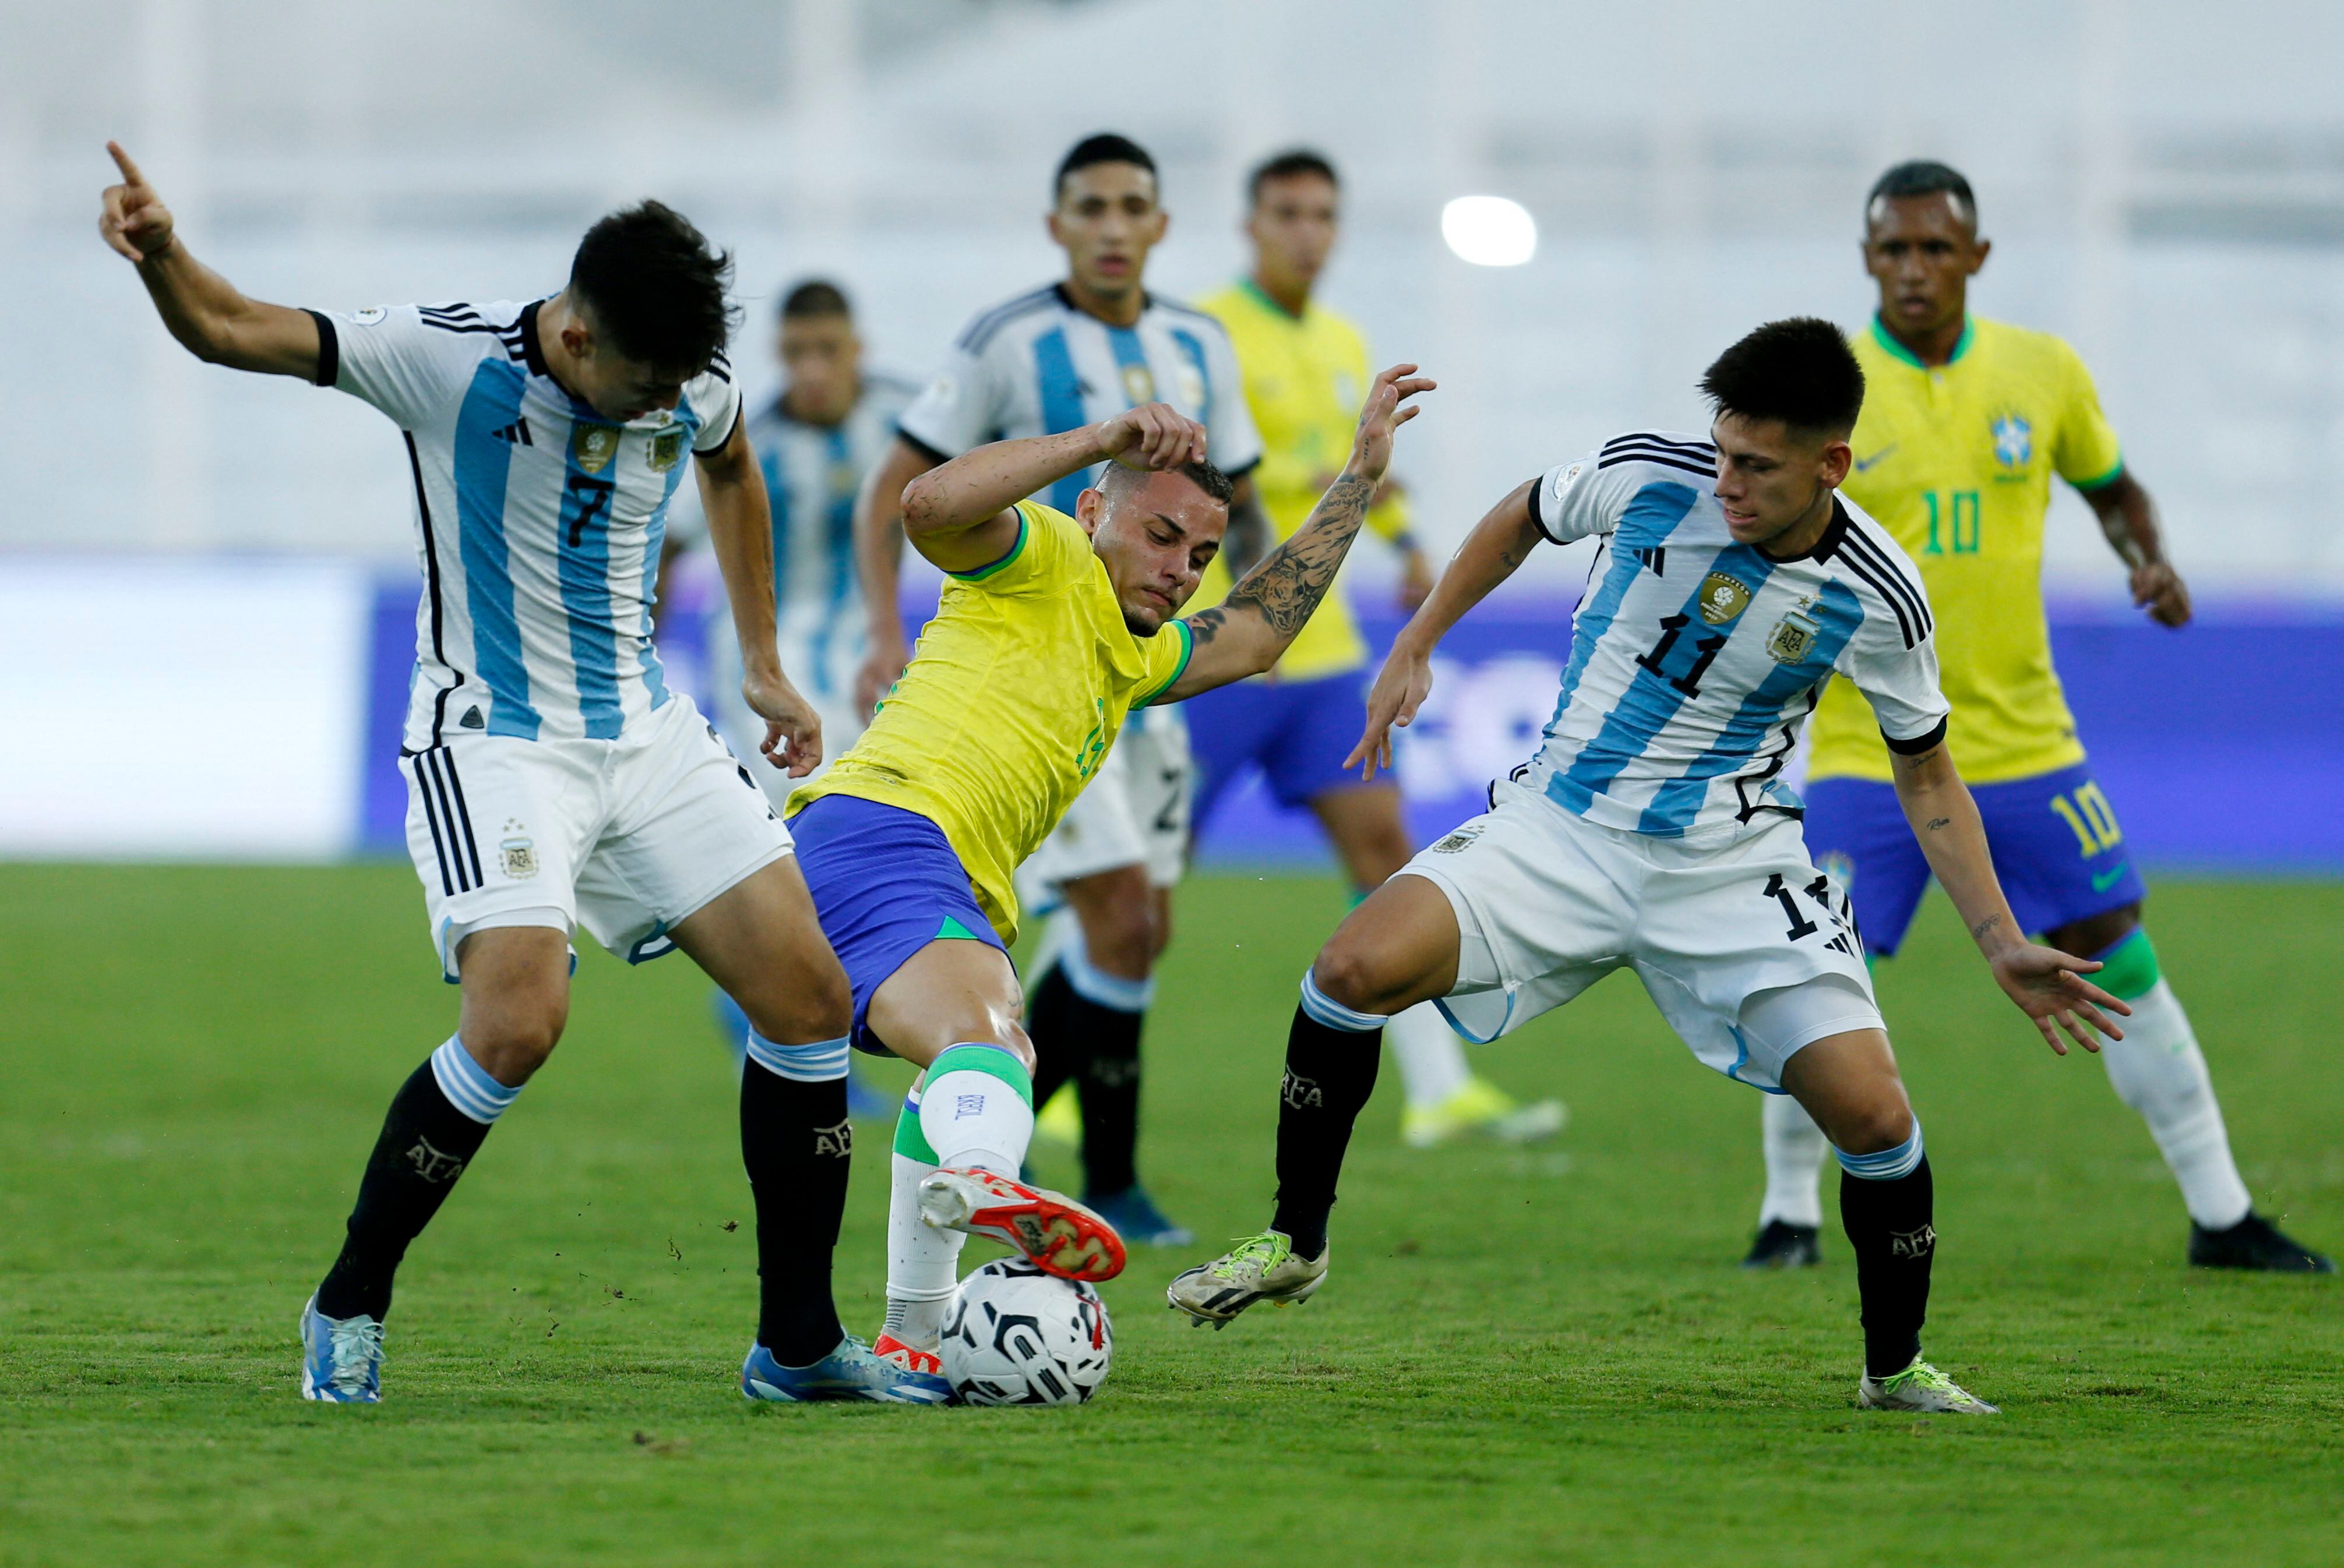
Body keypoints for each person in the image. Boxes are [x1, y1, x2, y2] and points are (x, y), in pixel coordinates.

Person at [97, 143, 940, 1407]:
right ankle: (350, 1295)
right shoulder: (443, 359)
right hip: (494, 734)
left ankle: (798, 1344)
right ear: (576, 331)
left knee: (812, 999)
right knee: (516, 1021)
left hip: (648, 733)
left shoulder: (682, 380)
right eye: (637, 382)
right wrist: (164, 254)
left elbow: (729, 460)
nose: (659, 402)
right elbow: (226, 328)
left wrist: (760, 658)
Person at [1169, 320, 2130, 1415]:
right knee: (1346, 972)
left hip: (1732, 868)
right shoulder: (1646, 477)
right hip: (1557, 830)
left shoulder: (1880, 592)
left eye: (1759, 467)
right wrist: (1418, 639)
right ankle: (1296, 1240)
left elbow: (1928, 776)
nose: (1727, 482)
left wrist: (2002, 942)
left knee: (1875, 1120)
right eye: (1721, 451)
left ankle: (1894, 1369)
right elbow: (1522, 515)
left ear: (1832, 465)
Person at [1739, 163, 2331, 1274]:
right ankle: (1788, 1217)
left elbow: (2112, 487)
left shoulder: (2043, 371)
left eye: (1935, 248)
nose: (1914, 269)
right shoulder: (1831, 391)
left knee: (2122, 956)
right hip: (1872, 753)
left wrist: (2146, 558)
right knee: (1815, 971)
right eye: (1893, 251)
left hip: (2026, 744)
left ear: (1977, 257)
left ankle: (2221, 1213)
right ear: (1868, 260)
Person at [790, 368, 1431, 1381]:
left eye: (1204, 555)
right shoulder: (1041, 555)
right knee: (988, 1035)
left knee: (971, 1063)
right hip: (887, 829)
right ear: (1096, 513)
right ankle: (987, 1180)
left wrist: (1355, 479)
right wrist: (1102, 437)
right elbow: (926, 506)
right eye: (1162, 536)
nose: (1184, 569)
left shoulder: (1132, 660)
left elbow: (1260, 632)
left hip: (916, 865)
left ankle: (913, 1338)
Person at [854, 133, 1267, 1248]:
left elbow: (1243, 507)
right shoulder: (1006, 340)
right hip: (1028, 658)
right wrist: (884, 630)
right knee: (1122, 913)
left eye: (1135, 205)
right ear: (1058, 225)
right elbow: (906, 489)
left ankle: (983, 1107)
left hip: (1138, 659)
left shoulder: (1203, 345)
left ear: (1163, 226)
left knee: (1142, 929)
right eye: (1092, 207)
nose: (1114, 226)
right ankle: (1043, 1144)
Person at [1193, 147, 1563, 1150]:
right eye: (1287, 214)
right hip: (1220, 647)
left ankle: (1439, 1091)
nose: (1306, 232)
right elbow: (1208, 482)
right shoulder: (1211, 334)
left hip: (1322, 658)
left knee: (1385, 856)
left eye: (1322, 215)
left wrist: (1402, 547)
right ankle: (1049, 1079)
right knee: (1129, 890)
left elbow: (1362, 477)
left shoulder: (1346, 340)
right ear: (1251, 224)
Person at [662, 279, 917, 1118]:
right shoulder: (751, 442)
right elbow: (670, 549)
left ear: (858, 349)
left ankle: (770, 1013)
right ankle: (777, 1023)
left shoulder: (907, 423)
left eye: (828, 351)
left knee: (847, 840)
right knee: (807, 839)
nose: (813, 370)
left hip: (868, 665)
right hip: (767, 669)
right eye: (797, 353)